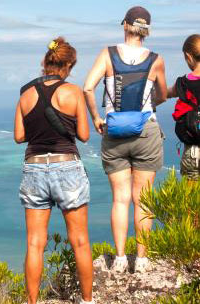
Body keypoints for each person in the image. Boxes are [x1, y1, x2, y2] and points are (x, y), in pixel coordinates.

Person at [83, 6, 167, 273]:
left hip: (115, 131)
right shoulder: (156, 59)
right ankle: (141, 259)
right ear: (146, 31)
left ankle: (120, 258)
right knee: (143, 199)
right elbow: (162, 95)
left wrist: (97, 117)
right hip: (146, 131)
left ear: (125, 26)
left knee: (120, 198)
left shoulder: (107, 55)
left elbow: (87, 87)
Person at [15, 37, 93, 304]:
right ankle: (87, 300)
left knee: (35, 243)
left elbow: (18, 135)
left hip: (34, 167)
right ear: (68, 65)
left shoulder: (25, 94)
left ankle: (32, 302)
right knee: (80, 240)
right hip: (67, 166)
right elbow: (83, 134)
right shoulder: (73, 92)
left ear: (45, 63)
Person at [168, 34, 200, 180]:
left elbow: (162, 95)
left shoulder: (182, 83)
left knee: (191, 202)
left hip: (193, 153)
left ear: (188, 56)